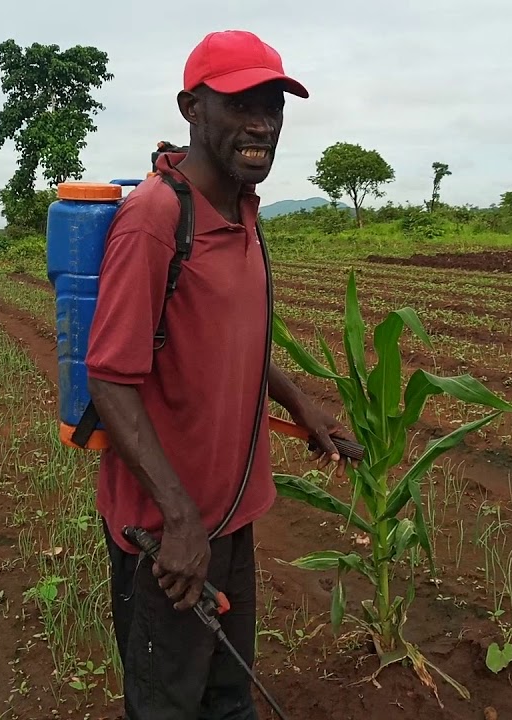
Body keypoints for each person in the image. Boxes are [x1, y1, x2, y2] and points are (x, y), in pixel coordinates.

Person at [84, 29, 353, 720]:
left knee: (228, 700)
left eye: (274, 105)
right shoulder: (154, 218)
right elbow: (110, 379)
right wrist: (178, 521)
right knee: (168, 704)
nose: (261, 120)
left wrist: (302, 406)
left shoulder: (244, 211)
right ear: (192, 108)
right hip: (167, 535)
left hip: (230, 517)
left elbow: (234, 341)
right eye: (239, 103)